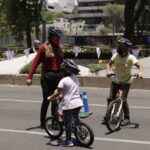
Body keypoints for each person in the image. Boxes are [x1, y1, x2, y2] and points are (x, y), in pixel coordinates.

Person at [26, 28, 64, 128]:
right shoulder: (44, 47)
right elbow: (35, 62)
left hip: (58, 76)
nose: (58, 39)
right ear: (51, 37)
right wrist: (30, 77)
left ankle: (55, 122)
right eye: (56, 37)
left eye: (59, 37)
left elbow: (62, 63)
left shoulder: (59, 48)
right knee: (47, 100)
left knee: (56, 100)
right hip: (47, 77)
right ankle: (43, 123)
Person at [104, 37, 143, 126]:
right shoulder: (115, 56)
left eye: (124, 47)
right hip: (116, 80)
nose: (122, 48)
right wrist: (108, 71)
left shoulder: (131, 57)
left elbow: (139, 65)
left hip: (126, 81)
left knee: (123, 99)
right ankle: (109, 114)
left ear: (127, 48)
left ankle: (127, 118)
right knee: (111, 98)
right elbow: (109, 64)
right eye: (120, 47)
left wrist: (140, 72)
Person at [47, 59, 83, 147]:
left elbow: (58, 93)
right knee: (76, 118)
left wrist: (50, 97)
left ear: (65, 70)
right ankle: (80, 132)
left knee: (68, 123)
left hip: (69, 104)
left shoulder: (63, 81)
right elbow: (69, 91)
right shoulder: (75, 78)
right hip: (78, 103)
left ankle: (68, 141)